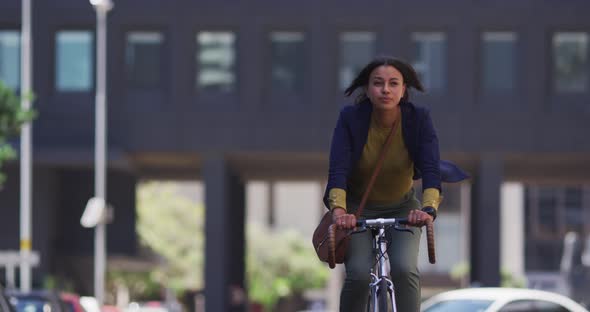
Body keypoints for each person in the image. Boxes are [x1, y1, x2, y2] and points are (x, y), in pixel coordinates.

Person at [322, 56, 468, 311]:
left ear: (403, 90)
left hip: (403, 208)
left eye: (393, 83)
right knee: (357, 273)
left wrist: (427, 210)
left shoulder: (418, 119)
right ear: (367, 89)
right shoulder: (350, 118)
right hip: (358, 210)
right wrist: (339, 212)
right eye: (378, 83)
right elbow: (338, 170)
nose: (385, 89)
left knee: (403, 268)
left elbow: (431, 168)